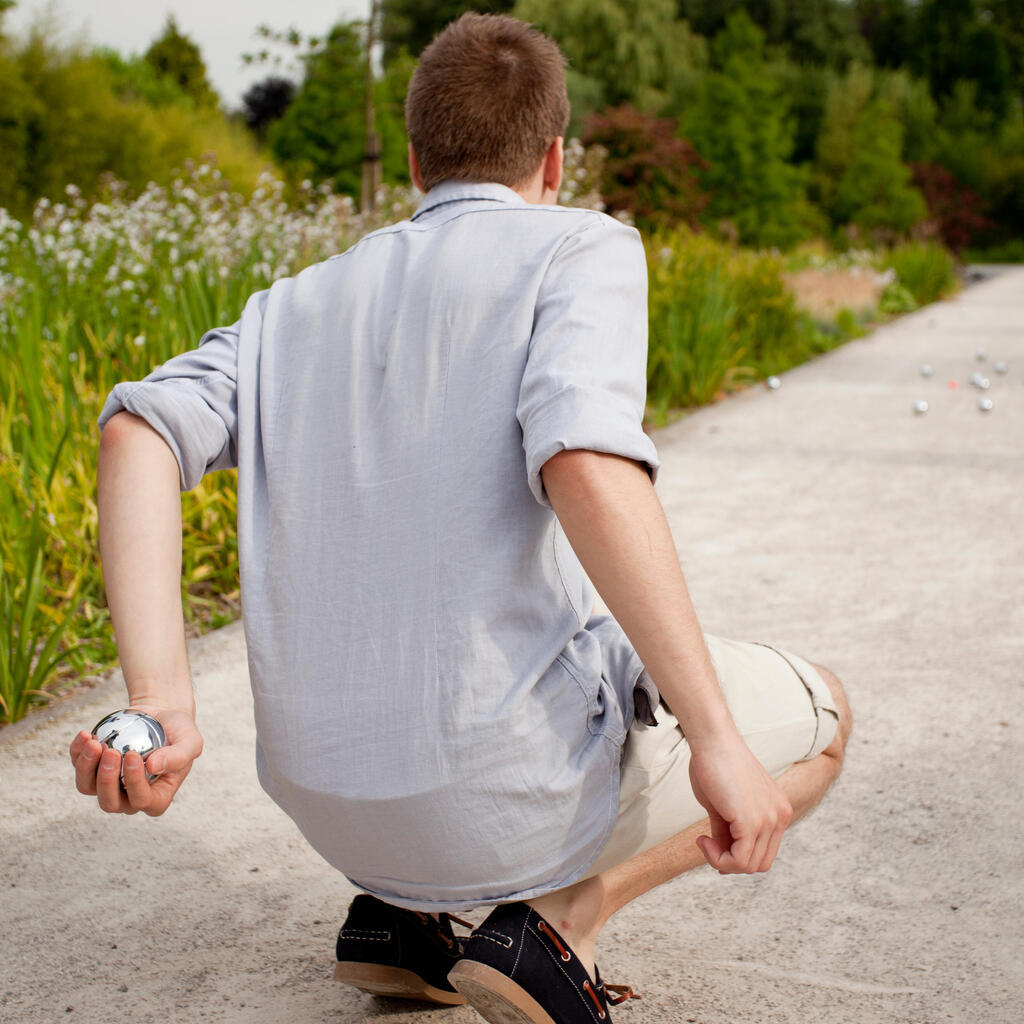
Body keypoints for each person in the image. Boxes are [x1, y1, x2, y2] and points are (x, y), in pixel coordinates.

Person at [69, 13, 851, 1023]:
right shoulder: (580, 247)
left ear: (414, 160)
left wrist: (163, 702)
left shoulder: (292, 302)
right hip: (500, 800)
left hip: (326, 804)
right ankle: (559, 925)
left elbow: (135, 430)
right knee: (823, 714)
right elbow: (581, 460)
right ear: (554, 156)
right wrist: (714, 738)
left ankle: (403, 921)